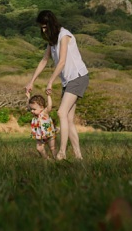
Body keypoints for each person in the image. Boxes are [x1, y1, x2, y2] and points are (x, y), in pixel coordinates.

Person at [25, 10, 88, 160]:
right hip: (68, 80)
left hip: (78, 77)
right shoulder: (52, 41)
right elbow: (44, 60)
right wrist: (31, 81)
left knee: (61, 113)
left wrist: (51, 81)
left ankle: (62, 153)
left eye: (45, 26)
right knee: (69, 119)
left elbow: (62, 61)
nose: (43, 30)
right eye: (42, 27)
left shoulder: (64, 35)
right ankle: (79, 156)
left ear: (52, 23)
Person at [27, 91, 57, 159]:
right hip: (39, 135)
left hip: (49, 134)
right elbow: (29, 105)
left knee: (52, 148)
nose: (32, 111)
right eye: (31, 109)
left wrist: (49, 96)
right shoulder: (35, 114)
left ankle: (56, 159)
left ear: (41, 107)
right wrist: (28, 97)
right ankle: (47, 159)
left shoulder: (44, 112)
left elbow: (49, 106)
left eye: (34, 109)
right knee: (39, 148)